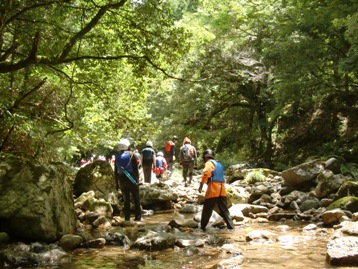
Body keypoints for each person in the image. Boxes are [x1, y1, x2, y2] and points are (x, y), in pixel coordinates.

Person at [198, 149, 234, 230]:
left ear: (205, 157)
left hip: (213, 188)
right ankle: (231, 227)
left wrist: (201, 184)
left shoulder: (209, 163)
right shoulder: (219, 164)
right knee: (224, 210)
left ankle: (202, 228)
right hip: (222, 188)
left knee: (207, 208)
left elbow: (206, 173)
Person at [114, 139, 142, 221]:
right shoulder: (132, 155)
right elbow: (136, 169)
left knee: (126, 201)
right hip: (131, 178)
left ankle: (127, 218)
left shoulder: (117, 156)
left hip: (122, 180)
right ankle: (138, 217)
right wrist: (137, 180)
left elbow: (115, 171)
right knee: (136, 199)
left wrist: (116, 183)